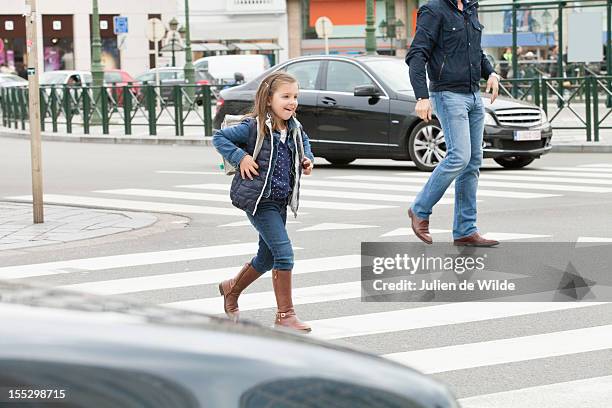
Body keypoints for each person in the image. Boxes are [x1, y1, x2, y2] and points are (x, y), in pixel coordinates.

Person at [212, 72, 315, 332]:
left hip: (279, 200)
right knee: (284, 254)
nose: (292, 102)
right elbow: (219, 137)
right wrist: (241, 157)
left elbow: (304, 142)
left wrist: (307, 159)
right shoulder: (253, 126)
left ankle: (231, 289)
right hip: (258, 201)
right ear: (269, 99)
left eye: (295, 97)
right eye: (286, 96)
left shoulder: (294, 128)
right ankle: (285, 316)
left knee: (267, 257)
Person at [405, 0, 501, 247]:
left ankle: (465, 230)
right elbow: (417, 54)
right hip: (447, 95)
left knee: (472, 162)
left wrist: (490, 72)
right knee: (459, 157)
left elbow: (475, 51)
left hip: (473, 95)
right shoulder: (433, 10)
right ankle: (420, 209)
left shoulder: (470, 9)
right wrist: (422, 96)